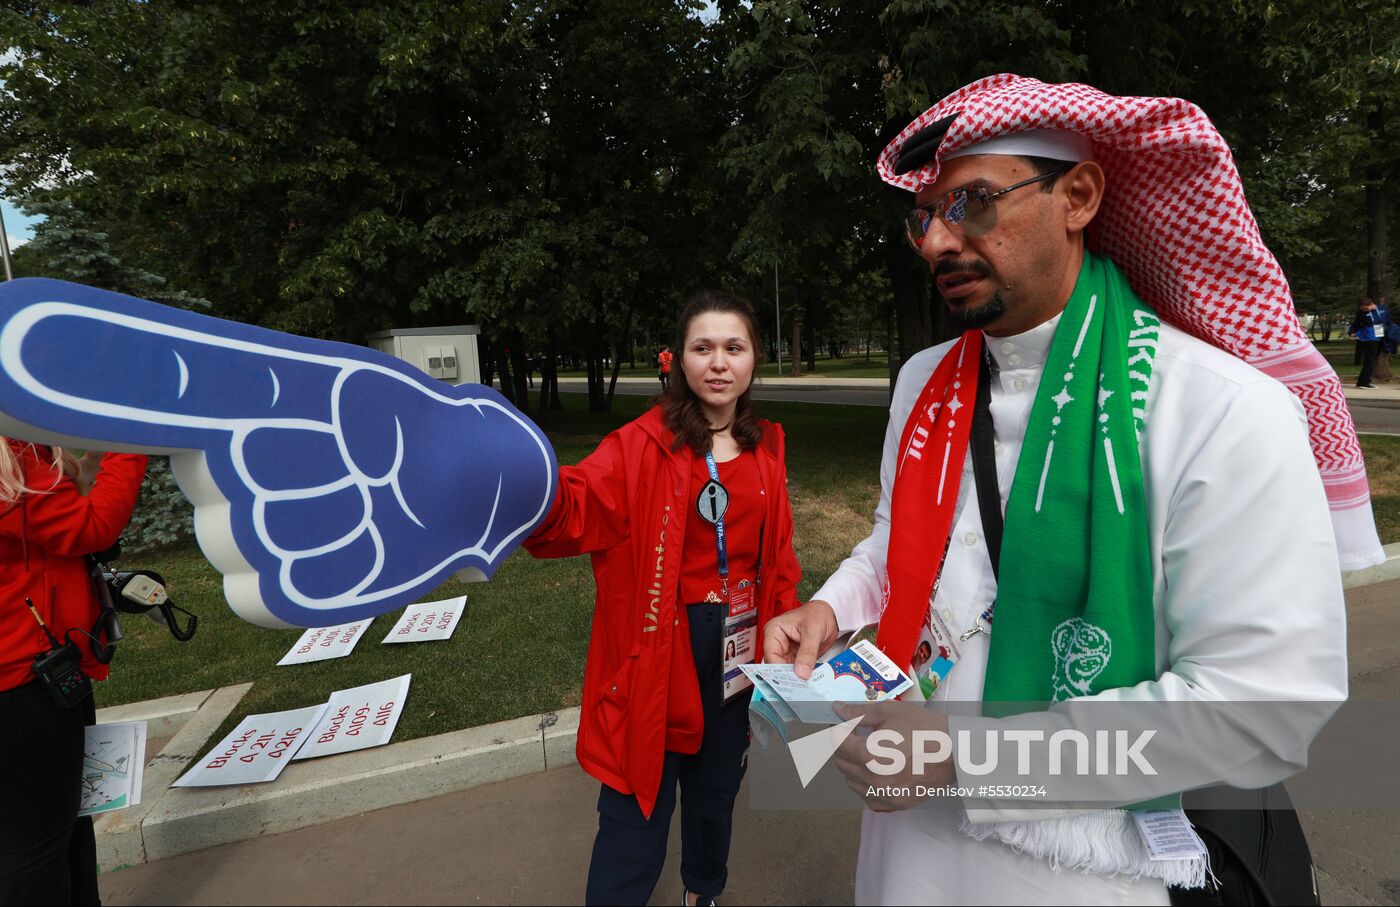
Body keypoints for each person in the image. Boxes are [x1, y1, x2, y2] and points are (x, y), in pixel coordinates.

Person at [764, 75, 1378, 905]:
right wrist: (832, 608)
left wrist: (963, 758)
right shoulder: (921, 384)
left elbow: (1263, 707)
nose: (939, 241)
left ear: (1079, 195)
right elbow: (903, 539)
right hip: (904, 848)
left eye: (972, 202)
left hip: (1099, 868)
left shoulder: (1219, 406)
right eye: (927, 215)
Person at [526, 290, 801, 907]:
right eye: (702, 348)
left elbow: (777, 560)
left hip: (734, 653)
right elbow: (575, 507)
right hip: (657, 654)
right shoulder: (641, 445)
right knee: (633, 813)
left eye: (734, 347)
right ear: (679, 359)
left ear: (755, 358)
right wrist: (523, 483)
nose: (718, 362)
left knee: (715, 798)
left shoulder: (768, 449)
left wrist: (781, 639)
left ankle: (702, 891)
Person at [0, 439, 147, 905]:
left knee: (59, 826)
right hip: (23, 685)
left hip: (30, 675)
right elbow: (91, 528)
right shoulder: (10, 462)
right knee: (37, 847)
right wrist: (132, 444)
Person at [1349, 298, 1383, 387]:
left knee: (1373, 360)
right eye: (1363, 309)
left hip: (1379, 336)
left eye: (1366, 308)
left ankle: (1364, 380)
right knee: (1370, 360)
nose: (1364, 310)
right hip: (1368, 337)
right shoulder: (1361, 314)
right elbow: (1356, 324)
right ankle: (1363, 382)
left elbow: (1384, 321)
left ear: (1371, 304)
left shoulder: (1381, 310)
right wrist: (1352, 332)